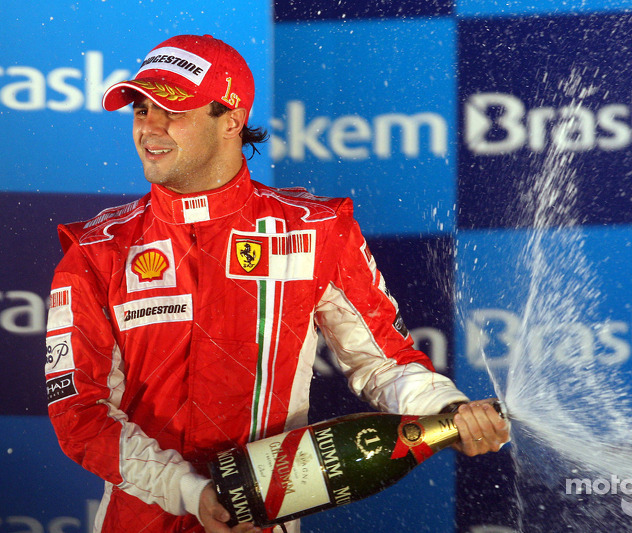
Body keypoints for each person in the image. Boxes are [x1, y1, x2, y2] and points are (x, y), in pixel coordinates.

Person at [44, 34, 509, 533]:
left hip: (264, 518)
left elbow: (383, 362)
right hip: (134, 522)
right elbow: (81, 413)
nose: (149, 129)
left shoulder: (313, 229)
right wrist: (192, 493)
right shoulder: (97, 250)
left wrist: (448, 410)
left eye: (172, 111)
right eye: (141, 110)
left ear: (232, 119)